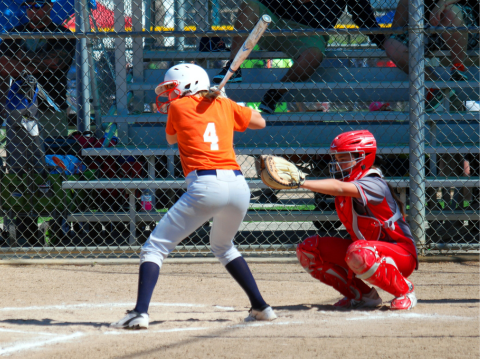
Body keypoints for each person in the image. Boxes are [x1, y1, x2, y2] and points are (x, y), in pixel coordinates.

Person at [111, 63, 277, 329]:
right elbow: (261, 121)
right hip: (238, 186)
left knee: (155, 247)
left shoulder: (178, 108)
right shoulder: (224, 105)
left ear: (188, 85)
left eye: (172, 89)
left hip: (206, 185)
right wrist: (226, 102)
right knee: (223, 246)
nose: (169, 97)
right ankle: (261, 307)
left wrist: (214, 102)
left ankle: (140, 312)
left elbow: (170, 138)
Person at [295, 130, 418, 310]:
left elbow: (338, 188)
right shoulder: (349, 185)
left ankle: (405, 291)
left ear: (364, 157)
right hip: (368, 250)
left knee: (358, 251)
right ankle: (362, 295)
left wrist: (300, 183)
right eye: (337, 158)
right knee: (308, 250)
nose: (338, 164)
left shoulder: (373, 183)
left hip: (401, 254)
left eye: (344, 158)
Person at [212, 0, 386, 113]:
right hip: (274, 19)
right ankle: (232, 67)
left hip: (309, 33)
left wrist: (384, 42)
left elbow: (362, 14)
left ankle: (274, 94)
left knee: (314, 54)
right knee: (250, 5)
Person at [384, 0, 479, 111]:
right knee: (391, 45)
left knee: (449, 13)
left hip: (464, 26)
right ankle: (436, 86)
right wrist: (392, 34)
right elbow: (405, 3)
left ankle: (458, 69)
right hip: (428, 28)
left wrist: (441, 4)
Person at [0, 0, 76, 138]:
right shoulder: (14, 33)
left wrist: (20, 56)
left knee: (52, 154)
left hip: (51, 106)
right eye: (28, 6)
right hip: (19, 105)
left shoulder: (62, 34)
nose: (32, 10)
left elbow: (56, 62)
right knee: (20, 155)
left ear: (51, 6)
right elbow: (4, 65)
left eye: (38, 5)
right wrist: (41, 64)